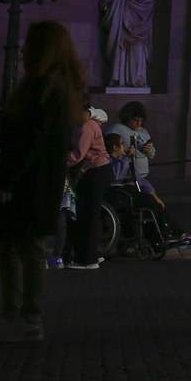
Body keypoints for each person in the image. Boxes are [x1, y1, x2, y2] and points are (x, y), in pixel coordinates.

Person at [0, 22, 85, 343]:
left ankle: (22, 316)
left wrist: (7, 177)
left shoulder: (45, 88)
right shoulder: (57, 88)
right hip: (39, 179)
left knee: (22, 249)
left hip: (28, 180)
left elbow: (31, 138)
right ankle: (21, 315)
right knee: (20, 248)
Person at [108, 102, 191, 248]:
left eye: (141, 120)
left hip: (137, 179)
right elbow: (116, 169)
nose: (138, 123)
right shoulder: (117, 133)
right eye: (135, 120)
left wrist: (148, 150)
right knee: (150, 202)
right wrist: (125, 156)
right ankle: (167, 233)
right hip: (125, 182)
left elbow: (151, 154)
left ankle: (169, 233)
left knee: (153, 202)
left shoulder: (143, 132)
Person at [67, 106, 113, 269]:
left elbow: (78, 155)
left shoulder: (86, 127)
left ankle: (87, 259)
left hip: (95, 171)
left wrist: (59, 162)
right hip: (99, 170)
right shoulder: (91, 123)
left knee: (86, 214)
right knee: (91, 214)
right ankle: (94, 254)